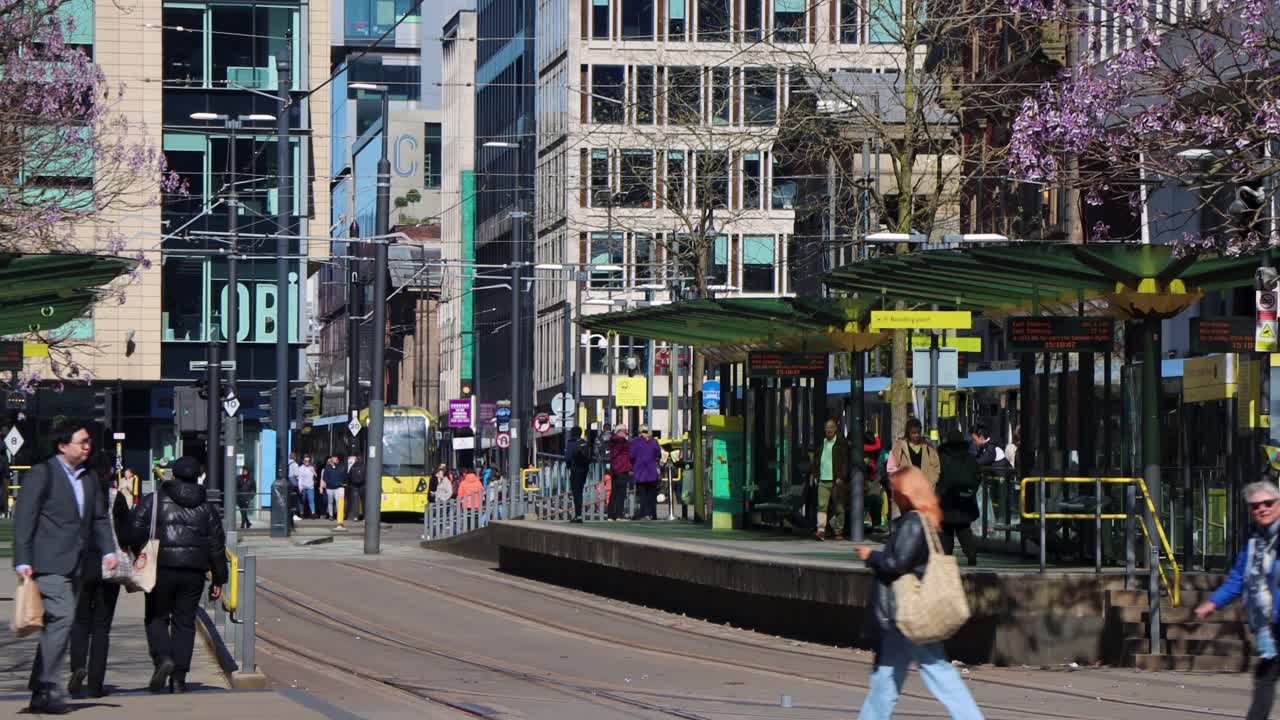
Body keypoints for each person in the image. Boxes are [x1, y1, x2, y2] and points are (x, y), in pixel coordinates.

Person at [854, 466, 984, 720]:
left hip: (908, 611)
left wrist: (871, 556)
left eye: (895, 491)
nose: (892, 496)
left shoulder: (913, 522)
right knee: (891, 677)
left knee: (933, 673)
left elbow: (897, 562)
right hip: (909, 613)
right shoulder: (923, 519)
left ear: (908, 493)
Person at [12, 421, 120, 714]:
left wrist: (108, 550)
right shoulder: (42, 473)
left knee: (54, 625)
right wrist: (22, 558)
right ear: (63, 445)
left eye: (88, 442)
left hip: (76, 564)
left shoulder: (87, 478)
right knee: (63, 617)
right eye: (81, 441)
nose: (87, 446)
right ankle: (48, 685)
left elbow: (98, 518)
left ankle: (39, 691)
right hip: (46, 563)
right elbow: (24, 517)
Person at [128, 455, 228, 694]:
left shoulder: (154, 500)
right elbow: (216, 545)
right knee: (185, 623)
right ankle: (179, 679)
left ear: (172, 474)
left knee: (156, 616)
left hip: (160, 568)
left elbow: (133, 531)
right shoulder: (207, 507)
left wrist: (138, 550)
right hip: (193, 572)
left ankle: (163, 658)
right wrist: (219, 578)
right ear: (197, 476)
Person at [1196, 481, 1280, 720]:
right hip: (1269, 624)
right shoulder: (1254, 541)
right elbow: (1238, 579)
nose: (1261, 509)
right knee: (1264, 678)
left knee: (1265, 677)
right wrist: (1212, 603)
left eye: (1268, 503)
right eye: (1255, 506)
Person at [68, 468, 131, 698]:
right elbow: (127, 533)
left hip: (82, 565)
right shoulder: (117, 498)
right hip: (109, 565)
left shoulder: (78, 497)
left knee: (80, 621)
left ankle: (77, 667)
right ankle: (95, 684)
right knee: (102, 627)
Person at [936, 430, 980, 567]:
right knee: (964, 530)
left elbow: (937, 478)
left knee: (946, 532)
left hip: (946, 502)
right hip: (965, 503)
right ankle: (971, 555)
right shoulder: (970, 458)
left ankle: (946, 561)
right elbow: (976, 478)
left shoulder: (942, 457)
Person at [813, 419, 850, 541]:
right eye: (827, 427)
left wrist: (841, 477)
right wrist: (815, 475)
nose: (829, 430)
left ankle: (838, 531)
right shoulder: (821, 444)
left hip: (836, 480)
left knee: (839, 507)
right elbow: (817, 461)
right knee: (822, 506)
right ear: (824, 429)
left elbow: (845, 463)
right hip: (823, 480)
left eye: (832, 427)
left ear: (835, 429)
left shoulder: (840, 444)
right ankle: (821, 530)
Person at [890, 419, 940, 487]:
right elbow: (892, 467)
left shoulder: (928, 447)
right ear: (908, 432)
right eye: (913, 433)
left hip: (924, 489)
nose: (917, 435)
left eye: (918, 432)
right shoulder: (899, 447)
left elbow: (936, 466)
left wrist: (930, 482)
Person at [629, 426, 662, 521]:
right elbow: (658, 454)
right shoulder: (654, 442)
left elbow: (631, 455)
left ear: (640, 432)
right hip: (652, 472)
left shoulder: (636, 442)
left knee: (642, 495)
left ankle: (644, 513)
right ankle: (653, 514)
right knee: (651, 495)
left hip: (640, 472)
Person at [606, 426, 632, 520]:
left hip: (614, 469)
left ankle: (611, 514)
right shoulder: (622, 442)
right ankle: (619, 514)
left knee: (614, 493)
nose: (626, 433)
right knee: (621, 492)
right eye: (625, 431)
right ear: (620, 432)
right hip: (622, 468)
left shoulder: (612, 441)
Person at [566, 427, 591, 523]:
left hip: (575, 470)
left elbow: (568, 457)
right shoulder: (585, 443)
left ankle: (578, 515)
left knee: (576, 493)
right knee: (580, 491)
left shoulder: (571, 443)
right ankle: (579, 515)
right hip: (584, 470)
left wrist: (569, 466)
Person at [863, 432, 885, 533]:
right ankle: (873, 524)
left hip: (873, 479)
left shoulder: (872, 451)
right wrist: (877, 437)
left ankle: (875, 525)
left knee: (876, 502)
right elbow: (878, 445)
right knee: (872, 501)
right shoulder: (864, 447)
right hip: (866, 479)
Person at [320, 455, 346, 521]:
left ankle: (338, 514)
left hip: (337, 487)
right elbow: (324, 477)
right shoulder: (327, 467)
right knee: (330, 502)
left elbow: (343, 475)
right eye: (333, 459)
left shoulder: (341, 467)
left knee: (338, 501)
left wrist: (340, 483)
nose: (334, 460)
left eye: (335, 459)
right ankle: (331, 515)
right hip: (329, 487)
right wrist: (329, 483)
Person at [346, 454, 365, 521]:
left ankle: (355, 517)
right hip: (363, 486)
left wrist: (348, 484)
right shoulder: (365, 466)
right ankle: (364, 517)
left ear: (356, 459)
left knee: (355, 502)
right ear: (362, 459)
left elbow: (349, 476)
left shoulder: (353, 466)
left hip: (354, 486)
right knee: (363, 502)